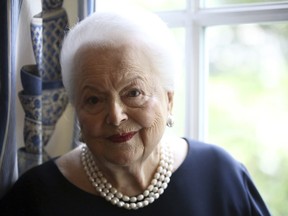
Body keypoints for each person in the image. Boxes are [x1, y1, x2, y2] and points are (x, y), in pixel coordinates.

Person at [0, 10, 271, 216]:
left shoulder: (220, 175)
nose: (116, 116)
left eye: (133, 93)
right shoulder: (36, 197)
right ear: (78, 111)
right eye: (94, 99)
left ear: (168, 99)